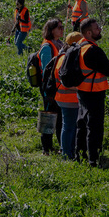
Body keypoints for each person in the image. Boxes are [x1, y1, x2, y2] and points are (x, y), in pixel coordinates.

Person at [74, 18, 109, 167]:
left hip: (82, 91)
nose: (100, 30)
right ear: (89, 32)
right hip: (94, 92)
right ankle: (93, 159)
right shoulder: (93, 50)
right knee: (94, 126)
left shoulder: (79, 45)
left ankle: (79, 154)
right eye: (97, 28)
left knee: (82, 124)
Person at [54, 32, 86, 160]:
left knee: (69, 126)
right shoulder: (67, 58)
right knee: (69, 126)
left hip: (63, 98)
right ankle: (67, 154)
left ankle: (68, 150)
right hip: (68, 98)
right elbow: (66, 82)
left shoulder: (62, 56)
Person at [38, 19, 65, 155]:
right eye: (59, 27)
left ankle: (62, 146)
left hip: (59, 86)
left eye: (62, 27)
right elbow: (46, 68)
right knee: (49, 116)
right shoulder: (47, 47)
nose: (62, 29)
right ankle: (46, 148)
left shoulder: (60, 44)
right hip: (49, 87)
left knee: (60, 116)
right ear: (51, 30)